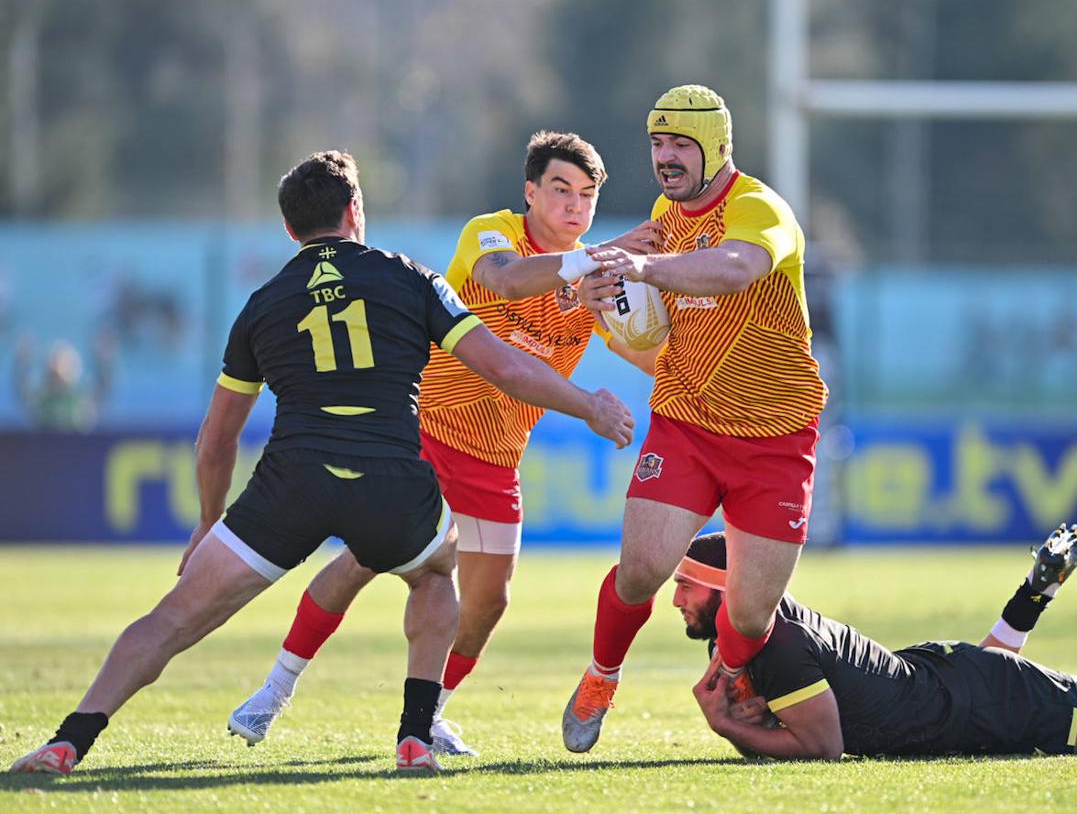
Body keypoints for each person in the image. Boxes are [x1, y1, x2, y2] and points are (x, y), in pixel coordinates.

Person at [9, 150, 634, 777]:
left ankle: (69, 740)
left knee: (171, 618)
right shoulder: (410, 277)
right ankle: (415, 734)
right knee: (438, 573)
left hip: (292, 482)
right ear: (355, 210)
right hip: (391, 476)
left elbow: (217, 437)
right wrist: (589, 406)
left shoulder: (262, 303)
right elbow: (505, 366)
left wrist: (207, 521)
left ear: (290, 229)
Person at [224, 132, 661, 758]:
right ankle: (273, 690)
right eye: (561, 190)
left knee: (488, 602)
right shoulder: (494, 235)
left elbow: (645, 352)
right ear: (530, 192)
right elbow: (504, 282)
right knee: (360, 562)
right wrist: (598, 257)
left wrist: (696, 345)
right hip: (424, 435)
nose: (575, 206)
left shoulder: (597, 281)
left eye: (588, 196)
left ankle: (430, 716)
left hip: (499, 456)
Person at [562, 84, 828, 752]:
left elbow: (736, 268)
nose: (666, 158)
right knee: (642, 569)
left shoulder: (760, 209)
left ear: (716, 148)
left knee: (748, 611)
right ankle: (601, 677)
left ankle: (733, 672)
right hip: (687, 423)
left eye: (681, 143)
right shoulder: (664, 214)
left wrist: (645, 269)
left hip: (777, 435)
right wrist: (601, 305)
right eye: (657, 143)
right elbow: (649, 337)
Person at [677, 508, 1077, 759]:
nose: (676, 599)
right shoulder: (751, 633)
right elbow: (788, 739)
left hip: (968, 695)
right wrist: (759, 727)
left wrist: (728, 727)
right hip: (951, 685)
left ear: (728, 588)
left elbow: (823, 747)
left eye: (687, 586)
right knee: (990, 686)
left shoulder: (778, 643)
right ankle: (1034, 593)